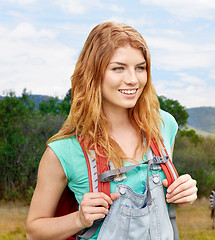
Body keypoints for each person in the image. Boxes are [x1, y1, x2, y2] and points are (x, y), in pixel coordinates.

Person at [26, 21, 198, 240]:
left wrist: (184, 195)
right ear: (94, 73)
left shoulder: (164, 124)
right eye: (118, 68)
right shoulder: (63, 151)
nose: (133, 79)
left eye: (140, 67)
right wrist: (79, 218)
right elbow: (33, 231)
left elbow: (163, 205)